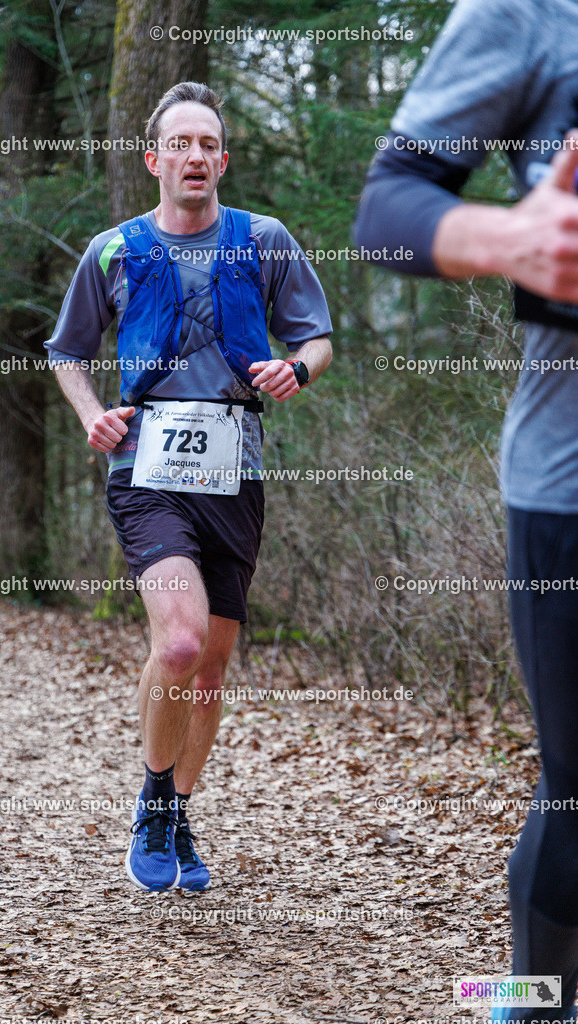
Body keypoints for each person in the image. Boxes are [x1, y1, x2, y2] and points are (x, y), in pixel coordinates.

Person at [46, 82, 332, 893]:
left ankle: (179, 810)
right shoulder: (113, 249)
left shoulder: (264, 240)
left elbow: (318, 337)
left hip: (235, 466)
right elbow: (66, 350)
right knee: (175, 642)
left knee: (207, 667)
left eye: (208, 144)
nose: (196, 156)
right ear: (154, 160)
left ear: (222, 160)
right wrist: (91, 413)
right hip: (145, 468)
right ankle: (152, 804)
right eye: (181, 144)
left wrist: (295, 369)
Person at [355, 0, 578, 1020]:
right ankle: (520, 999)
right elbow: (385, 207)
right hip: (565, 484)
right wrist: (508, 237)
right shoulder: (527, 15)